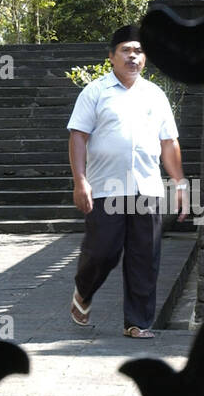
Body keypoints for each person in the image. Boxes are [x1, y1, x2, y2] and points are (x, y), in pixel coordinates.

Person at [67, 25, 188, 338]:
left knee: (144, 257)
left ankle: (137, 322)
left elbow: (169, 142)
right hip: (105, 187)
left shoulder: (155, 96)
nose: (133, 56)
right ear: (111, 56)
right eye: (126, 50)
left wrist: (180, 183)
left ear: (144, 58)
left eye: (138, 51)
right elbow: (78, 136)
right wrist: (80, 180)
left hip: (146, 187)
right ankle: (83, 289)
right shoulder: (95, 92)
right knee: (102, 251)